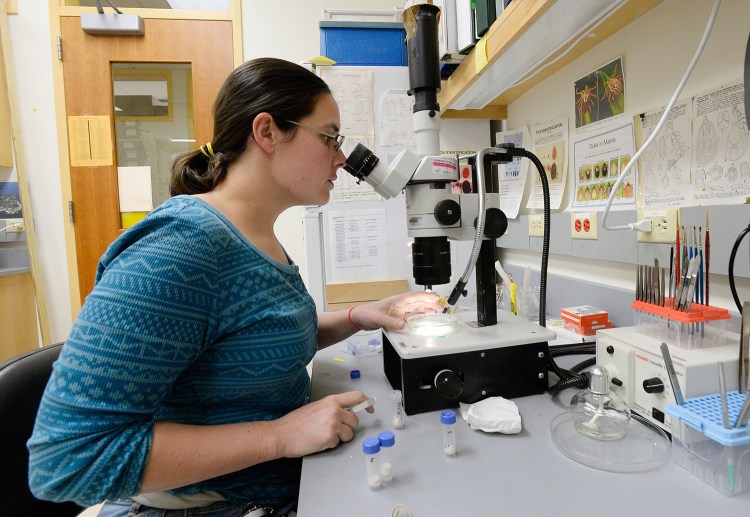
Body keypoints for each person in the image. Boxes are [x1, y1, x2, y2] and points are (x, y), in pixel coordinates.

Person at [28, 57, 442, 517]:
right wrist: (280, 436)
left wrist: (355, 317)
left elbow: (257, 339)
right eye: (329, 137)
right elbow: (66, 459)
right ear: (266, 132)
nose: (342, 158)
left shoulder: (255, 236)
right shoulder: (182, 248)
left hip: (275, 488)